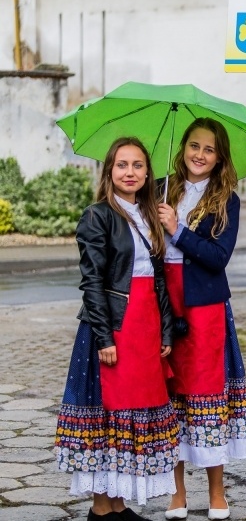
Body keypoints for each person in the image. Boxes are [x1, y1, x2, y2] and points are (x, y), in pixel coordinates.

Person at [54, 137, 178, 521]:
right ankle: (100, 509)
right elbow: (91, 281)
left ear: (147, 173)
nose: (130, 172)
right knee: (106, 415)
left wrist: (166, 333)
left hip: (145, 327)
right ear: (109, 170)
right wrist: (104, 337)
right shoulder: (98, 215)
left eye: (138, 165)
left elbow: (157, 280)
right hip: (113, 326)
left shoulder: (150, 215)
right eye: (122, 164)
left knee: (131, 414)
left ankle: (117, 505)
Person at [157, 118, 246, 520]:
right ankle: (176, 493)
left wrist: (177, 230)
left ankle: (217, 491)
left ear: (219, 158)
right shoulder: (162, 188)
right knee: (172, 394)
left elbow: (218, 258)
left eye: (209, 149)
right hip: (165, 301)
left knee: (206, 395)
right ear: (183, 149)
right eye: (194, 146)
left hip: (205, 306)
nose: (199, 154)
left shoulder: (225, 198)